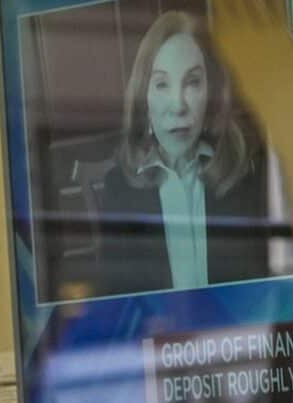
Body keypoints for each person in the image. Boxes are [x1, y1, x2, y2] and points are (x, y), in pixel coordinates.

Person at [96, 11, 269, 296]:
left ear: (210, 93)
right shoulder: (119, 189)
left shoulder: (245, 175)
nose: (178, 105)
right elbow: (116, 304)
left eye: (192, 82)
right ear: (144, 97)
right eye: (162, 84)